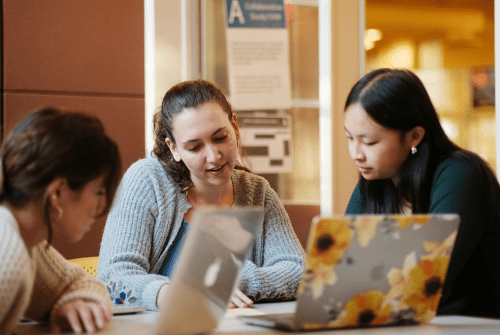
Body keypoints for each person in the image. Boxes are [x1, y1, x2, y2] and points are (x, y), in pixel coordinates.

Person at [98, 79, 305, 311]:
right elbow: (113, 277)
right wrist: (170, 292)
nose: (214, 156)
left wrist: (234, 280)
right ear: (174, 148)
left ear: (235, 128)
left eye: (220, 138)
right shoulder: (147, 181)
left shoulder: (258, 191)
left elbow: (298, 269)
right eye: (194, 147)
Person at [343, 68, 500, 317]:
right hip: (404, 324)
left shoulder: (461, 174)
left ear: (414, 136)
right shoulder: (374, 179)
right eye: (350, 138)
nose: (356, 153)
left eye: (369, 142)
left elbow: (429, 281)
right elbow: (344, 267)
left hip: (470, 326)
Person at [0, 108, 122, 334]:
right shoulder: (7, 249)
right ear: (57, 192)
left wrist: (76, 302)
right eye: (98, 191)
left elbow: (78, 283)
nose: (100, 208)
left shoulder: (28, 241)